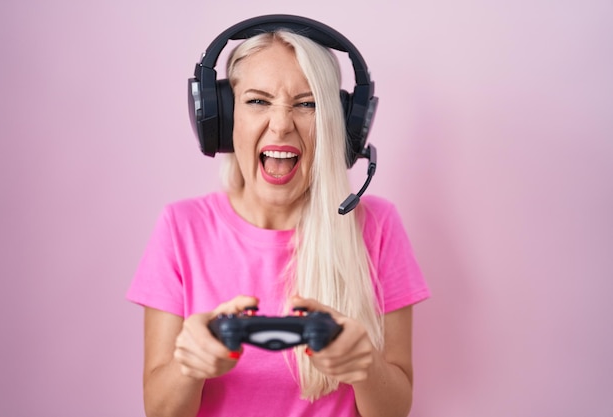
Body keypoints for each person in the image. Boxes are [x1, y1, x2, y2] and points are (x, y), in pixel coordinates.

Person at [127, 15, 430, 417]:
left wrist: (365, 366)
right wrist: (190, 367)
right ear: (222, 119)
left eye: (307, 104)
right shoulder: (180, 227)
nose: (282, 125)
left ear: (336, 125)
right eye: (257, 101)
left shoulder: (377, 226)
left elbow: (395, 409)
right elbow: (160, 411)